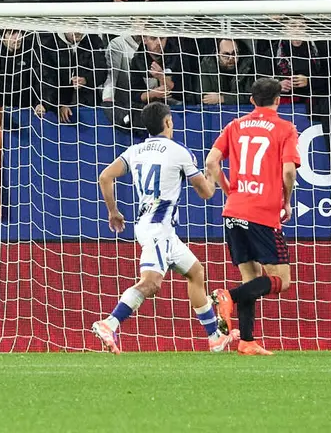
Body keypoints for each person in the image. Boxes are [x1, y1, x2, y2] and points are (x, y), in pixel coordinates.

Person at [91, 101, 231, 354]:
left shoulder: (135, 150)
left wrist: (113, 212)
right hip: (158, 228)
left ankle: (215, 337)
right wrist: (212, 170)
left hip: (153, 225)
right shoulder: (179, 152)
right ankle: (108, 323)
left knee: (196, 272)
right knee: (151, 284)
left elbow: (105, 176)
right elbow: (207, 193)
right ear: (167, 123)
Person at [207, 78, 301, 356]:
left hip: (233, 211)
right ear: (278, 100)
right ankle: (228, 297)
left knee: (251, 279)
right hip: (262, 214)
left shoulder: (234, 125)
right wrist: (287, 202)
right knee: (282, 280)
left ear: (251, 100)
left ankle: (246, 341)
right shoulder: (285, 128)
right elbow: (288, 172)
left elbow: (212, 161)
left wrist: (228, 191)